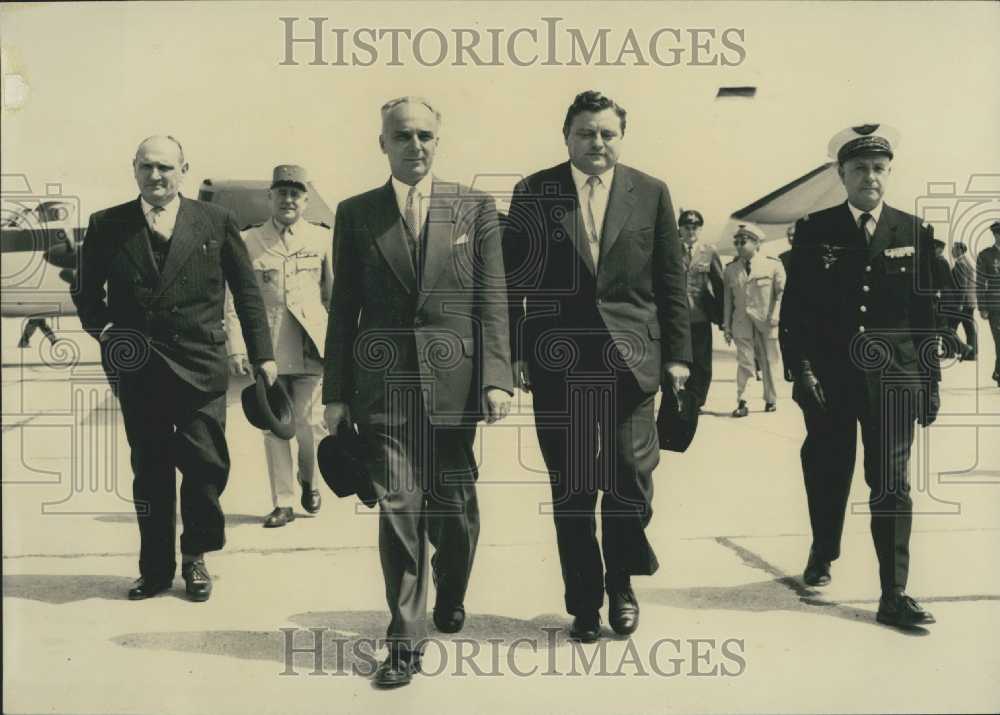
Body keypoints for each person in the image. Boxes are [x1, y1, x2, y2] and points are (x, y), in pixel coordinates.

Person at [322, 97, 512, 688]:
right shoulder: (356, 214)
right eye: (402, 135)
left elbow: (492, 300)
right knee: (399, 511)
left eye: (426, 135)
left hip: (455, 387)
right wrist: (336, 391)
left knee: (454, 515)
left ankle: (451, 587)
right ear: (382, 142)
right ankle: (404, 640)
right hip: (383, 388)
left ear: (440, 140)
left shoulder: (474, 207)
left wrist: (497, 376)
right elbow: (343, 309)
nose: (416, 145)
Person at [504, 90, 691, 644]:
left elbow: (671, 280)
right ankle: (584, 600)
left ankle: (622, 583)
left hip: (633, 362)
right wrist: (516, 351)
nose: (597, 143)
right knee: (574, 487)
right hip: (559, 364)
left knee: (631, 480)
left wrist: (679, 356)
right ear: (567, 136)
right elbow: (516, 282)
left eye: (608, 133)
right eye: (586, 133)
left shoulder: (651, 192)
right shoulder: (534, 192)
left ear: (621, 138)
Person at [73, 135, 276, 602]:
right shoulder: (108, 224)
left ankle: (196, 555)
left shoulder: (216, 221)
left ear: (184, 169)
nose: (156, 176)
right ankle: (157, 569)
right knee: (151, 471)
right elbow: (86, 293)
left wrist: (263, 354)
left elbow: (246, 293)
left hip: (200, 365)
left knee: (206, 468)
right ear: (134, 169)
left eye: (166, 167)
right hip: (139, 369)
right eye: (147, 167)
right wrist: (106, 332)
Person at [779, 124, 939, 628]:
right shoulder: (814, 230)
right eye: (859, 169)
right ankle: (824, 549)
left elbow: (925, 315)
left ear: (888, 173)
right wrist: (801, 370)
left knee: (891, 484)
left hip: (894, 380)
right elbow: (796, 312)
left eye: (878, 168)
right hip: (831, 380)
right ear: (841, 175)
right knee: (828, 472)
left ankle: (894, 592)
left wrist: (929, 382)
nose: (870, 177)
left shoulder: (912, 231)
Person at [225, 165, 333, 528]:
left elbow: (333, 297)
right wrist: (237, 347)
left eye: (296, 194)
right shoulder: (249, 240)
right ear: (270, 197)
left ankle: (310, 481)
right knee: (274, 427)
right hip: (268, 349)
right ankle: (283, 502)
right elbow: (235, 299)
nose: (289, 200)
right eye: (282, 193)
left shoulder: (321, 240)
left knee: (310, 425)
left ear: (306, 200)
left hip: (310, 347)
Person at [723, 222, 785, 416]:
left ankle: (771, 399)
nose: (740, 245)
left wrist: (776, 315)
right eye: (737, 242)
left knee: (769, 361)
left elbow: (782, 293)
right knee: (745, 362)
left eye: (744, 241)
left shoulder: (773, 265)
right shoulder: (731, 269)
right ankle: (743, 401)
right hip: (741, 322)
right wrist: (726, 325)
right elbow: (728, 300)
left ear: (757, 244)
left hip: (767, 321)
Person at [679, 208, 724, 409]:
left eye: (695, 228)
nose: (691, 232)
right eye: (687, 227)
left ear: (700, 229)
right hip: (677, 317)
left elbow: (719, 284)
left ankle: (697, 400)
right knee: (679, 359)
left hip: (701, 316)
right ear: (680, 229)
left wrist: (723, 318)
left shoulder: (709, 251)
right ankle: (682, 397)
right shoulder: (670, 249)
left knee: (702, 363)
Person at [976, 221, 1000, 387]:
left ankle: (998, 371)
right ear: (996, 235)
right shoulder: (985, 255)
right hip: (995, 305)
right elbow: (980, 282)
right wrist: (982, 306)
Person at [947, 242, 977, 360]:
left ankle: (952, 351)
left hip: (963, 302)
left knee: (950, 326)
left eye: (953, 249)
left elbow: (962, 286)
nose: (952, 251)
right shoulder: (967, 262)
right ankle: (972, 354)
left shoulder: (960, 264)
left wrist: (959, 303)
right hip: (970, 301)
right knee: (969, 328)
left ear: (959, 250)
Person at [930, 238, 957, 357]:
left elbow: (940, 281)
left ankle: (944, 351)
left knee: (939, 325)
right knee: (943, 326)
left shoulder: (939, 261)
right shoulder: (943, 261)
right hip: (946, 297)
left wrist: (936, 292)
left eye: (934, 248)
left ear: (940, 249)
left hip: (942, 298)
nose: (932, 250)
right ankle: (948, 351)